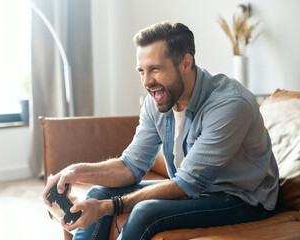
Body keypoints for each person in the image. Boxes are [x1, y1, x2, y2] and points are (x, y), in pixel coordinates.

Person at [42, 22, 279, 240]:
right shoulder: (158, 99)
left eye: (155, 69)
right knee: (99, 192)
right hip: (196, 190)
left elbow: (186, 186)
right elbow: (131, 166)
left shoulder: (229, 104)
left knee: (145, 211)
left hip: (241, 198)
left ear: (186, 63)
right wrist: (75, 172)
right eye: (141, 71)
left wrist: (108, 207)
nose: (146, 81)